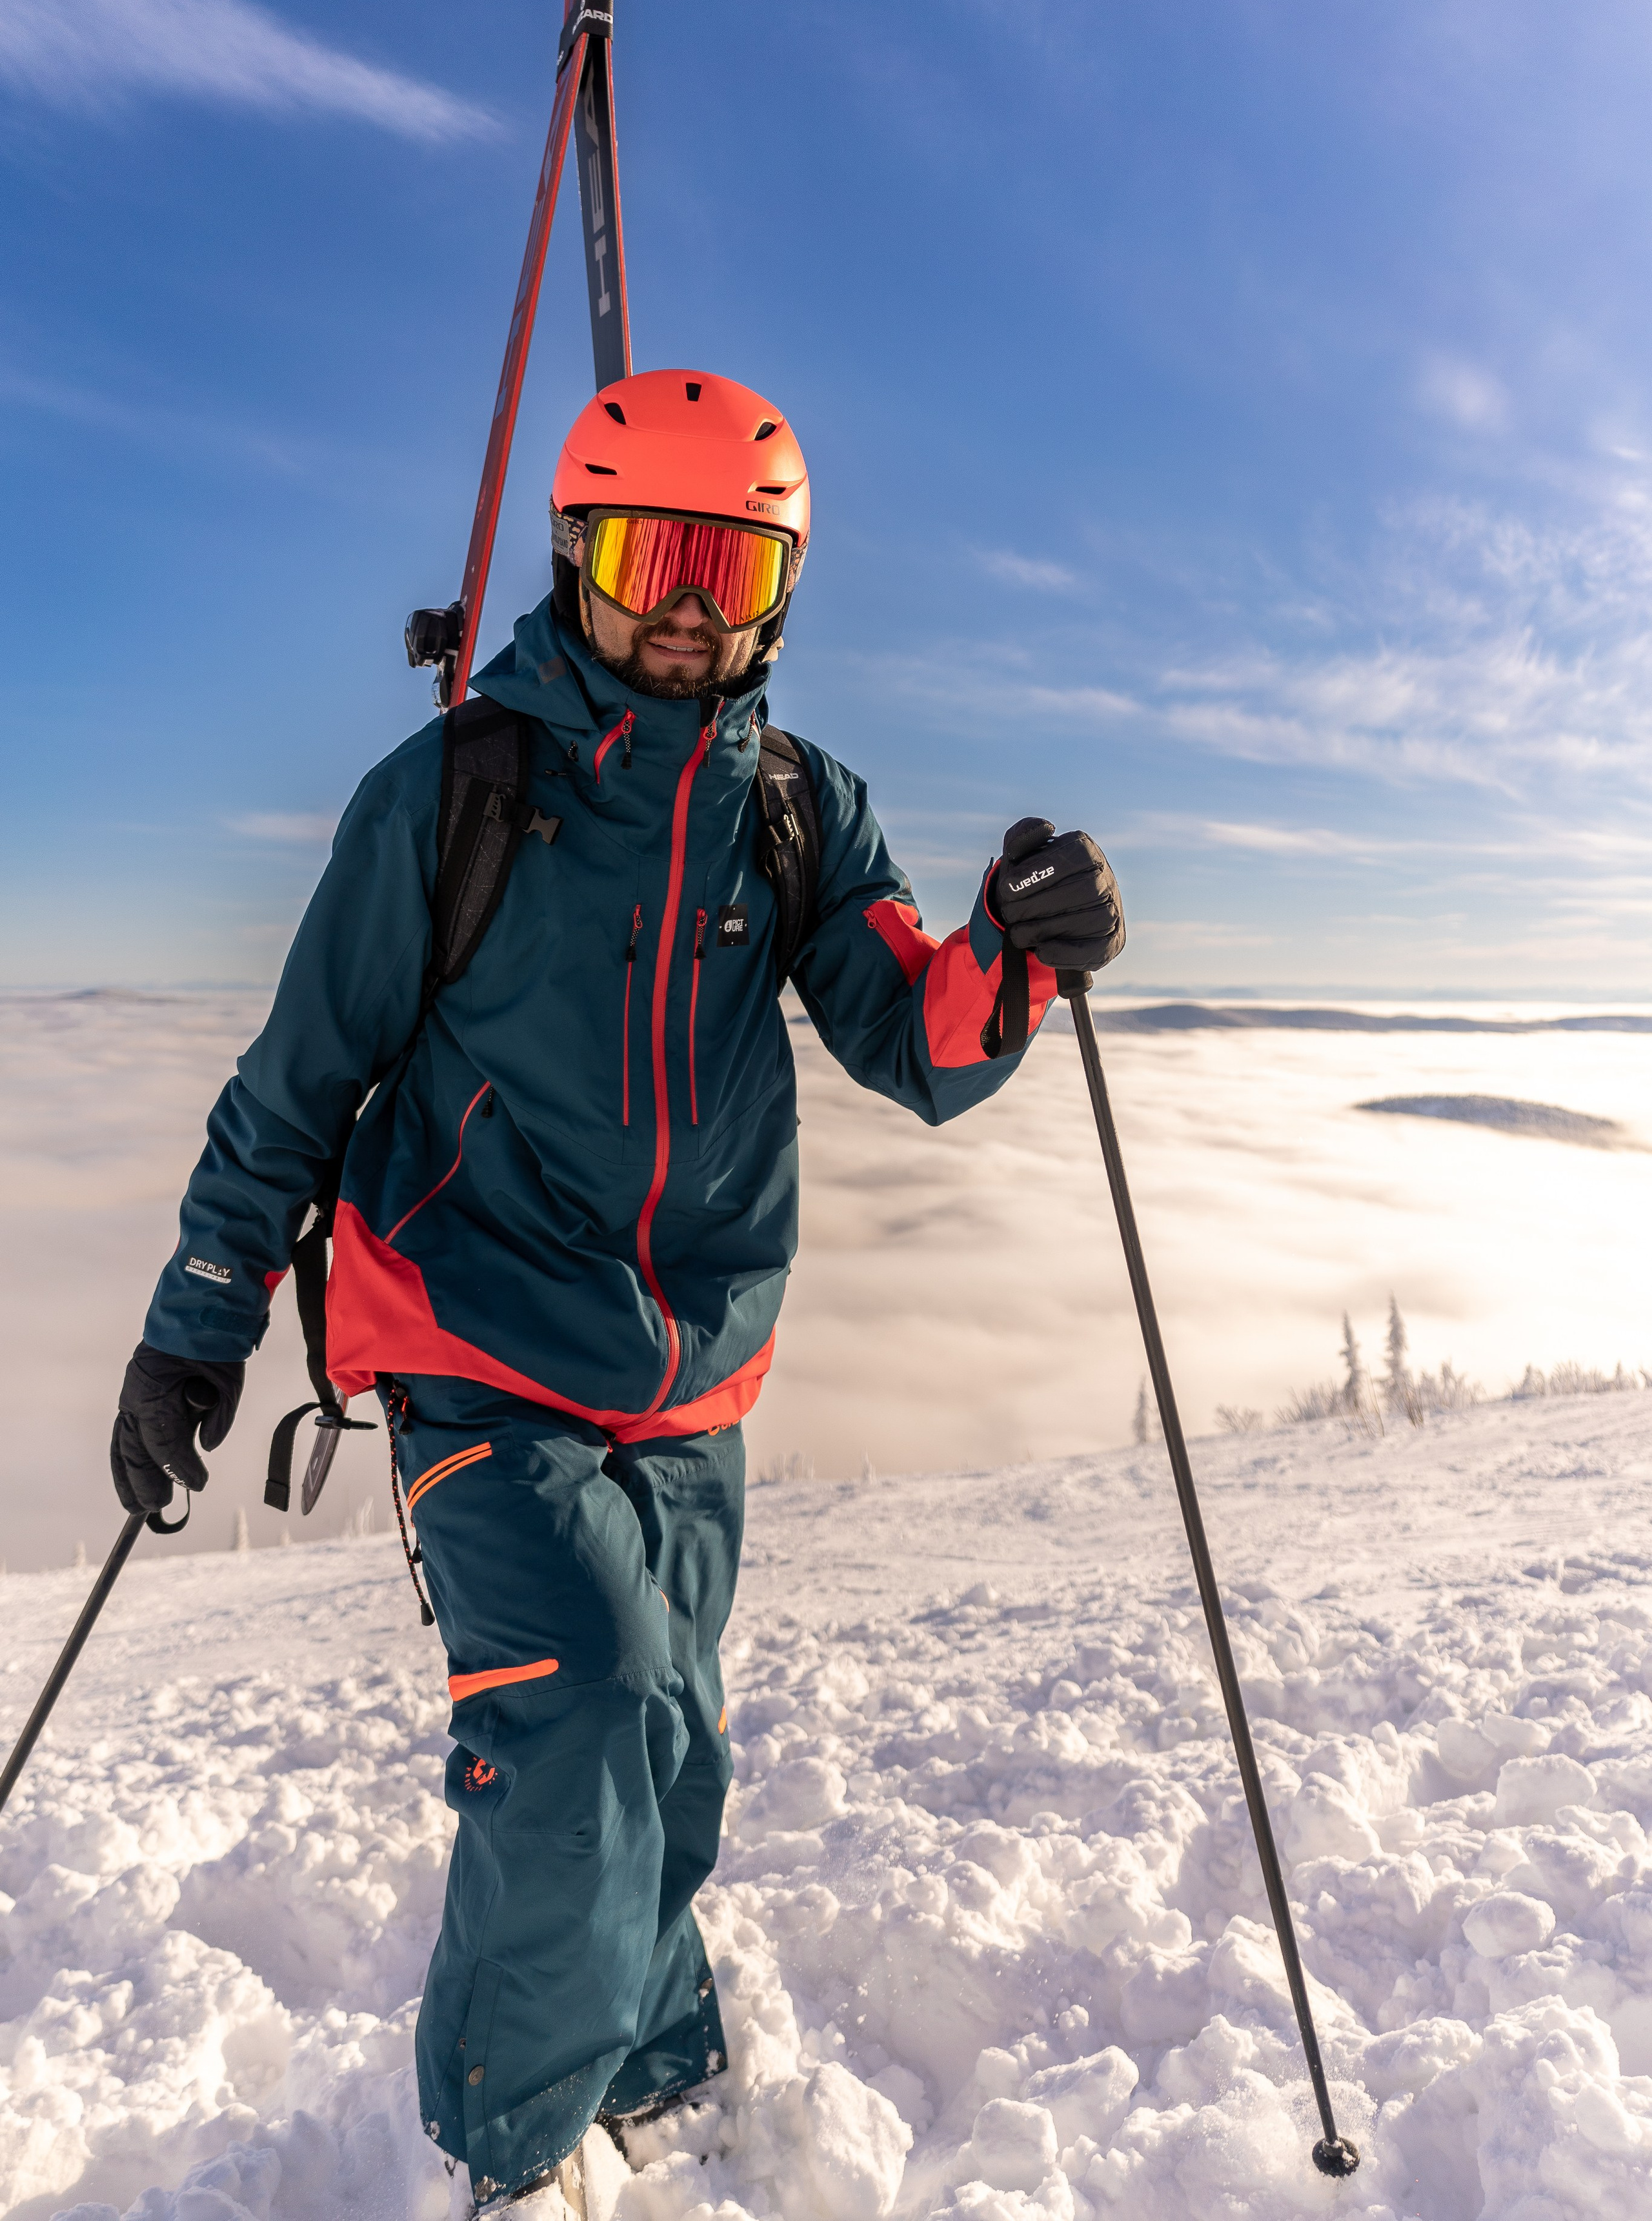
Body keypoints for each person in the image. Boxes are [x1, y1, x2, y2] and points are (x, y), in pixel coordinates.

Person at [109, 370, 1125, 2215]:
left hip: (691, 1369)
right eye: (651, 555)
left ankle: (651, 2050)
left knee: (671, 1734)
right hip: (476, 1343)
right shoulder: (452, 796)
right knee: (577, 1712)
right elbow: (297, 1083)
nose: (684, 607)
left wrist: (1021, 950)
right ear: (578, 559)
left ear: (779, 596)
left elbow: (917, 1030)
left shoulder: (801, 810)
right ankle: (509, 2139)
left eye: (727, 572)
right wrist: (197, 1324)